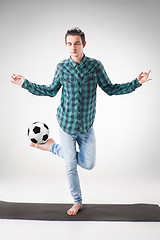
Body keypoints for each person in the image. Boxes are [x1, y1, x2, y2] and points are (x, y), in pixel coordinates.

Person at [11, 27, 152, 216]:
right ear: (66, 45)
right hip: (66, 125)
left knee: (88, 164)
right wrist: (25, 84)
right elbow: (50, 90)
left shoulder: (95, 66)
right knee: (70, 165)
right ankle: (77, 201)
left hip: (86, 127)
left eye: (77, 43)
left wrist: (136, 82)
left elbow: (110, 88)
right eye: (69, 43)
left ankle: (52, 147)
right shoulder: (62, 67)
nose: (73, 47)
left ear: (83, 44)